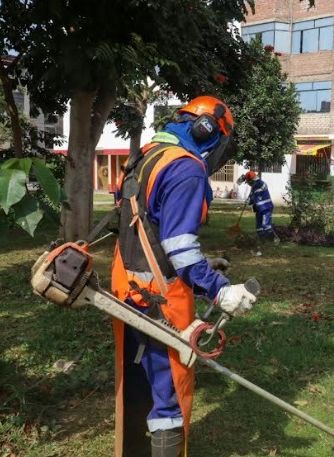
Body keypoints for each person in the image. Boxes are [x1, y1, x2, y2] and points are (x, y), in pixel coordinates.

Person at [111, 96, 257, 457]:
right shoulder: (186, 167)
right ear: (207, 131)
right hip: (160, 296)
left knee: (139, 377)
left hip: (126, 286)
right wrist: (219, 289)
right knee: (170, 390)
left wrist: (204, 263)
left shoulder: (145, 156)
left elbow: (149, 223)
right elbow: (177, 245)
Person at [239, 170, 278, 243]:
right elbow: (252, 200)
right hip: (259, 209)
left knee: (266, 225)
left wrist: (254, 177)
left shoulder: (261, 184)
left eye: (248, 182)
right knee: (258, 226)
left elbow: (262, 184)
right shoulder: (253, 189)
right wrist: (248, 201)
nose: (248, 184)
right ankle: (262, 240)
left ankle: (273, 240)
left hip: (266, 208)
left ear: (252, 180)